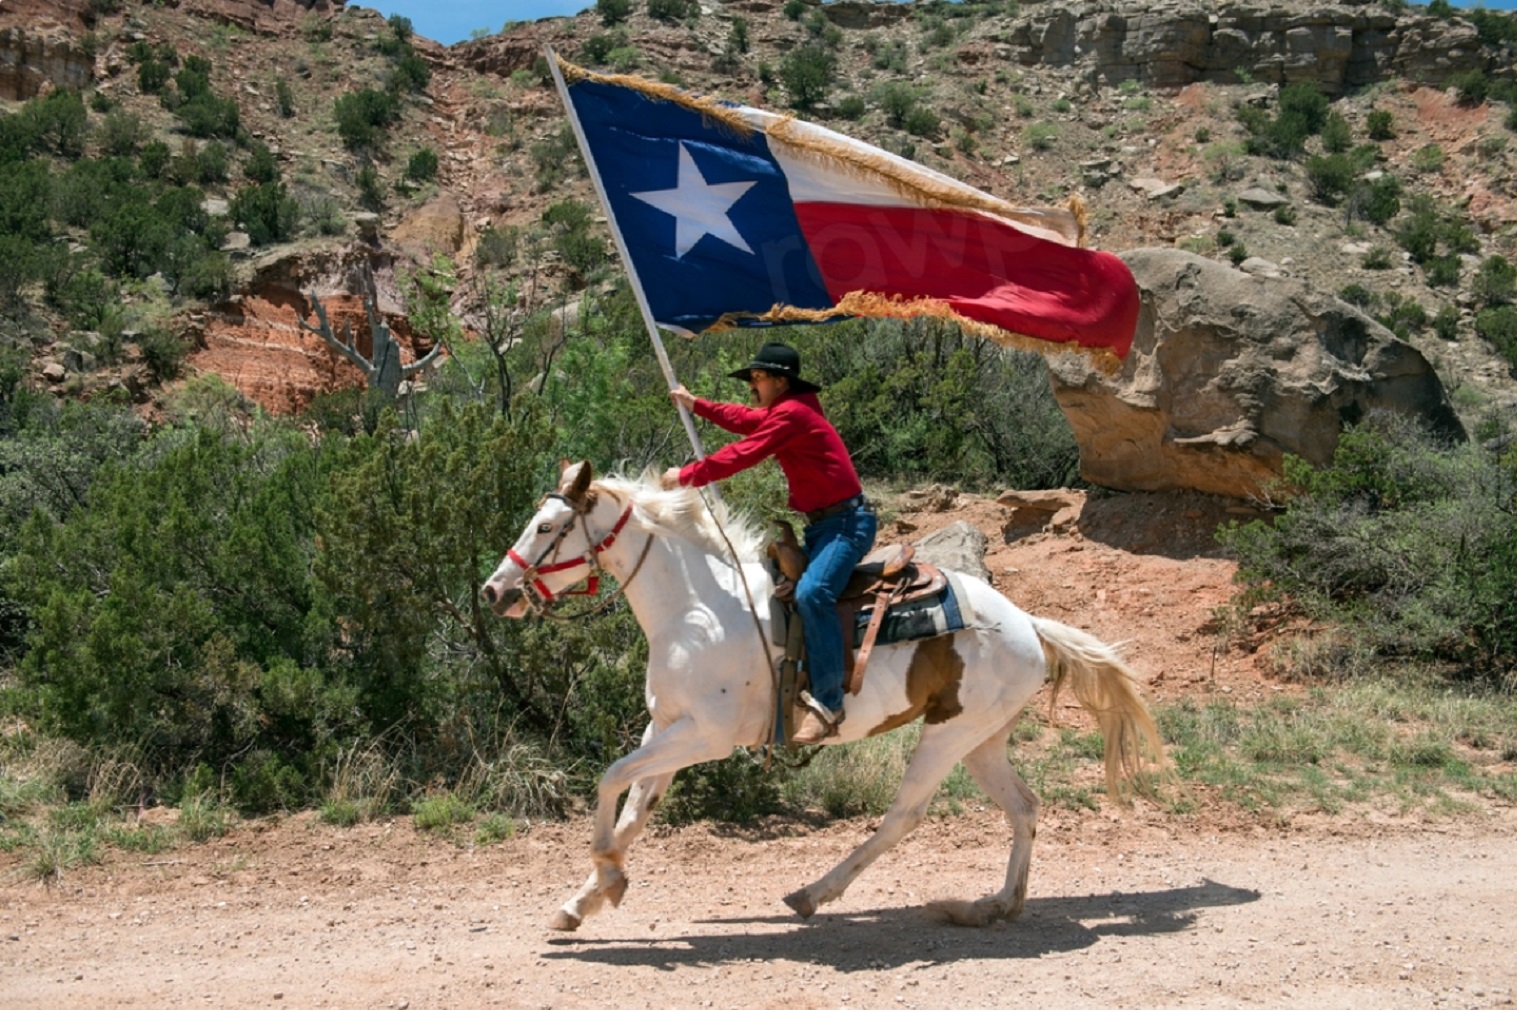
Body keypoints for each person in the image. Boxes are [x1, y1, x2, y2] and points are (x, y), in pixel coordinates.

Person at [661, 341, 876, 745]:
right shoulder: (790, 412)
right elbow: (746, 420)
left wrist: (686, 476)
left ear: (781, 381)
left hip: (846, 525)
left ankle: (829, 704)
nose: (751, 386)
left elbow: (744, 452)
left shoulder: (793, 415)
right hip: (823, 526)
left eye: (757, 378)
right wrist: (697, 405)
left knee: (813, 594)